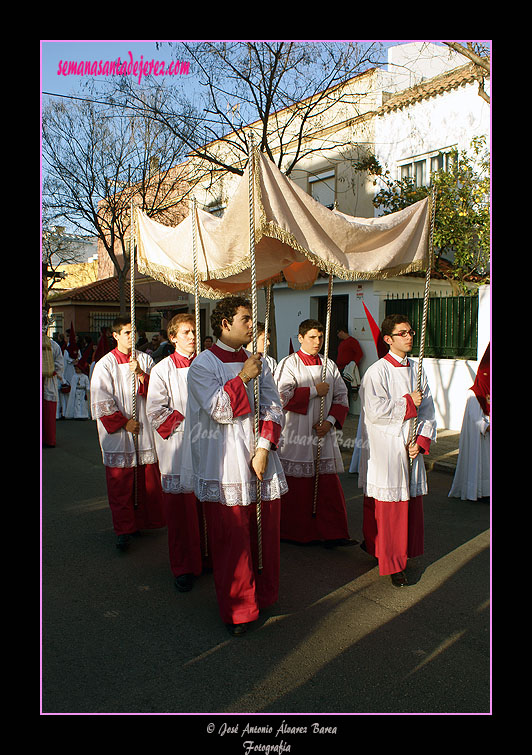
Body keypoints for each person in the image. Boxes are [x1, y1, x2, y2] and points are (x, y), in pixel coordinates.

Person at [180, 296, 287, 636]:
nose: (250, 325)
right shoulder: (202, 365)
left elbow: (273, 407)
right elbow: (220, 410)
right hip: (224, 463)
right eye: (244, 318)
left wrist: (264, 447)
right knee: (233, 539)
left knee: (263, 533)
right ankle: (238, 608)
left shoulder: (260, 361)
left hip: (260, 459)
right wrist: (243, 376)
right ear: (224, 323)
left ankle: (263, 594)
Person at [357, 314, 437, 587]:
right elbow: (376, 411)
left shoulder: (418, 368)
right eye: (402, 333)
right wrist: (408, 402)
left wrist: (420, 441)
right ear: (388, 339)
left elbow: (428, 408)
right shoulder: (376, 371)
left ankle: (400, 552)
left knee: (409, 504)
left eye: (410, 331)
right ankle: (393, 564)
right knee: (390, 508)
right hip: (387, 446)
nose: (409, 336)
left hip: (410, 445)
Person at [274, 318, 355, 547]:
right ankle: (296, 532)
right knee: (298, 488)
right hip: (296, 434)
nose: (317, 341)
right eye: (312, 337)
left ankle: (333, 532)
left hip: (323, 434)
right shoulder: (288, 364)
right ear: (300, 338)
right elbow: (281, 396)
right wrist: (313, 391)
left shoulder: (329, 365)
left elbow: (341, 397)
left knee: (328, 485)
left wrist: (329, 421)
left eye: (320, 337)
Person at [146, 313, 210, 592]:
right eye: (185, 332)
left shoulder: (208, 365)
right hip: (179, 448)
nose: (192, 336)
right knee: (181, 512)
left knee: (208, 507)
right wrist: (190, 423)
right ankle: (183, 565)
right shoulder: (162, 370)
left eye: (194, 331)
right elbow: (156, 412)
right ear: (172, 338)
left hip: (209, 446)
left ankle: (207, 557)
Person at [90, 316, 165, 550]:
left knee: (145, 480)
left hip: (143, 429)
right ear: (115, 336)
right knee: (121, 484)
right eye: (127, 333)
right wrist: (123, 422)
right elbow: (101, 400)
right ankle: (123, 529)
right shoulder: (105, 364)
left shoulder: (145, 359)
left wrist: (142, 374)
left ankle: (141, 521)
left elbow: (158, 390)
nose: (132, 337)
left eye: (134, 332)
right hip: (121, 431)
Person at [448, 344, 490, 501]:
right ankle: (478, 492)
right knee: (482, 465)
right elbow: (477, 420)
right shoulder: (474, 393)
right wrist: (486, 425)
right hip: (481, 439)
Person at [42, 314, 64, 448]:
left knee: (48, 412)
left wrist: (51, 371)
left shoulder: (54, 345)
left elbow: (59, 364)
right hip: (48, 380)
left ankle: (49, 439)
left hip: (48, 381)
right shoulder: (54, 345)